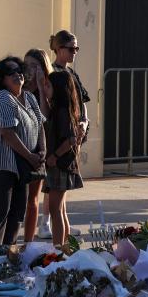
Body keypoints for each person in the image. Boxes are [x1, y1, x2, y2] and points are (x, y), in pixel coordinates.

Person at [0, 56, 46, 247]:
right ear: (2, 80)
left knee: (17, 212)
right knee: (1, 211)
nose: (17, 75)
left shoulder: (29, 97)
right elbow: (7, 133)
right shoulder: (3, 97)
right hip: (0, 163)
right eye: (10, 72)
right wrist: (31, 156)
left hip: (21, 163)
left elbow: (40, 126)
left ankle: (9, 254)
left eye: (19, 71)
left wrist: (42, 152)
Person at [46, 29, 90, 238]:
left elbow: (82, 102)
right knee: (57, 205)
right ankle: (59, 245)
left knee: (58, 203)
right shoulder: (54, 75)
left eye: (76, 48)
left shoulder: (70, 74)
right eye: (71, 48)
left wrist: (84, 122)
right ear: (58, 49)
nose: (74, 52)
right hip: (63, 138)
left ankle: (60, 248)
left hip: (68, 140)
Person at [45, 71, 84, 251]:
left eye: (48, 86)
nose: (46, 89)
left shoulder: (63, 112)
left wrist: (55, 156)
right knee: (59, 209)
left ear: (58, 89)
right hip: (61, 166)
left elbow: (71, 139)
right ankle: (65, 247)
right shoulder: (60, 109)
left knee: (55, 209)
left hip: (60, 166)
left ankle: (57, 248)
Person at [22, 49, 53, 243]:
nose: (30, 70)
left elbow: (45, 116)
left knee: (33, 198)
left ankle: (28, 242)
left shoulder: (47, 86)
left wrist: (41, 88)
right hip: (20, 146)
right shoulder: (19, 86)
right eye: (27, 65)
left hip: (38, 148)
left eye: (35, 66)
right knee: (18, 199)